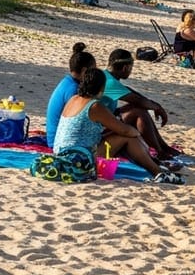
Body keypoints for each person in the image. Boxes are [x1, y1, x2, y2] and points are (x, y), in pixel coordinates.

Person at [53, 67, 183, 184]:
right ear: (101, 88)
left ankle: (156, 166)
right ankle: (158, 172)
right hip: (78, 156)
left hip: (60, 152)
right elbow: (125, 131)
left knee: (119, 136)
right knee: (128, 138)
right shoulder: (94, 106)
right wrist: (138, 134)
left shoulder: (74, 99)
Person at [103, 49, 181, 160]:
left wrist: (154, 105)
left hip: (105, 117)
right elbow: (138, 101)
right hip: (101, 125)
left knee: (138, 109)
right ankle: (159, 152)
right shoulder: (110, 83)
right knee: (139, 111)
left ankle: (163, 148)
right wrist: (157, 108)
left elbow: (129, 92)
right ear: (126, 67)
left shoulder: (106, 75)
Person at [45, 43, 96, 147]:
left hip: (55, 137)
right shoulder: (73, 89)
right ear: (84, 71)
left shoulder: (67, 82)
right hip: (58, 141)